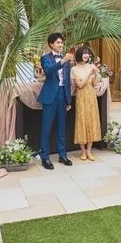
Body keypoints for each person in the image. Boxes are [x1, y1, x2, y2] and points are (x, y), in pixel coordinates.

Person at [37, 33, 74, 170]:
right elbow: (48, 71)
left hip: (62, 95)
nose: (61, 45)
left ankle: (62, 155)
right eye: (58, 42)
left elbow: (67, 81)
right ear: (51, 44)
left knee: (61, 127)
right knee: (46, 128)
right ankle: (45, 157)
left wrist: (68, 100)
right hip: (50, 95)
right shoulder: (45, 58)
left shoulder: (66, 60)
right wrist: (62, 61)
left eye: (61, 42)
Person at [71, 46, 101, 161]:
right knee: (82, 122)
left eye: (87, 53)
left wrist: (96, 74)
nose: (86, 55)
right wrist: (89, 74)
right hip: (81, 97)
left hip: (91, 97)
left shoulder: (92, 66)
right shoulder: (74, 69)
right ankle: (83, 151)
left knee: (91, 121)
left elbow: (94, 84)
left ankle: (89, 151)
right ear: (79, 55)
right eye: (84, 53)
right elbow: (79, 85)